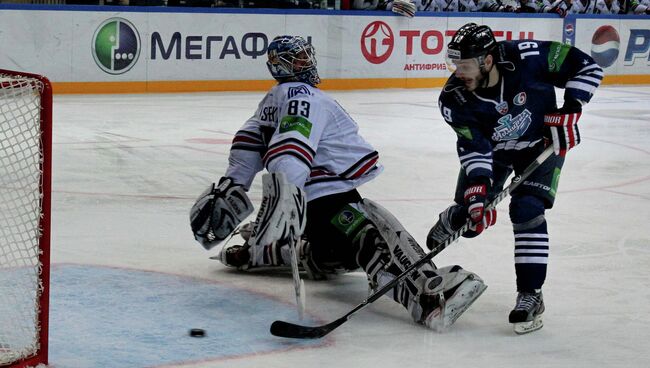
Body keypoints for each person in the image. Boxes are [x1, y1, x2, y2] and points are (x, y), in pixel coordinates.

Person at [189, 35, 486, 331]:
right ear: (282, 66)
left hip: (313, 210)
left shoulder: (271, 99)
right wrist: (287, 197)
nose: (308, 63)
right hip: (325, 201)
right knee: (375, 235)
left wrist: (233, 186)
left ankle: (253, 253)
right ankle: (427, 296)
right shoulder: (302, 96)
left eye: (307, 56)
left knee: (338, 253)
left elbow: (246, 150)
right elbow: (291, 147)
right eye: (299, 59)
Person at [427, 23, 603, 334]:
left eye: (465, 65)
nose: (458, 73)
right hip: (494, 154)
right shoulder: (453, 99)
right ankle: (452, 218)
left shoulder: (529, 56)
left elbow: (587, 66)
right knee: (471, 220)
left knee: (528, 210)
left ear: (487, 61)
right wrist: (477, 194)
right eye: (455, 65)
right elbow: (474, 148)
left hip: (541, 145)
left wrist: (571, 107)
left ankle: (530, 295)